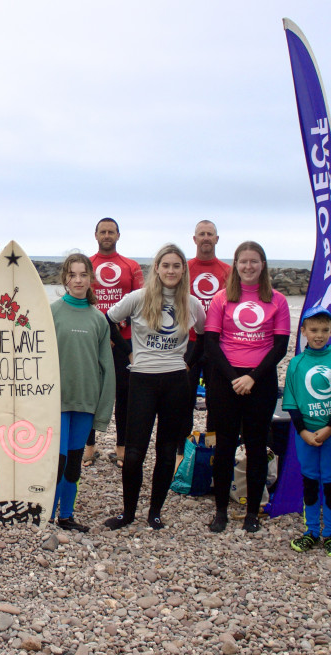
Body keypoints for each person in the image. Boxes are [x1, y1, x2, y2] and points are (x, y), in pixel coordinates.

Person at [102, 244, 206, 531]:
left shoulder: (191, 303)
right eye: (165, 265)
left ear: (183, 269)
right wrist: (128, 352)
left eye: (176, 265)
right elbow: (108, 320)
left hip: (176, 382)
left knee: (167, 449)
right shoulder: (138, 298)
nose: (171, 270)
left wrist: (189, 362)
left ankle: (155, 512)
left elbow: (206, 336)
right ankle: (128, 513)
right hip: (142, 380)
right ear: (157, 269)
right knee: (134, 452)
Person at [205, 241, 290, 533]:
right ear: (236, 265)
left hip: (261, 380)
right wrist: (233, 379)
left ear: (262, 265)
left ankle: (252, 512)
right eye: (243, 261)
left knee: (256, 447)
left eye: (254, 261)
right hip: (225, 379)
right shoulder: (221, 299)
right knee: (225, 445)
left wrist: (252, 377)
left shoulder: (277, 300)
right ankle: (220, 511)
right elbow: (211, 343)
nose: (249, 267)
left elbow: (280, 346)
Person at [50, 253, 115, 532]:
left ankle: (66, 516)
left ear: (91, 279)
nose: (78, 280)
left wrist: (103, 412)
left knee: (74, 463)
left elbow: (107, 368)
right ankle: (45, 515)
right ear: (65, 278)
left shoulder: (99, 319)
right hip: (56, 402)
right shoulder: (51, 312)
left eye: (83, 275)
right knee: (58, 461)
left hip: (86, 402)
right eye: (73, 275)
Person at [282, 305, 331, 558]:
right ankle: (311, 531)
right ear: (304, 332)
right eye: (313, 330)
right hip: (305, 434)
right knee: (310, 480)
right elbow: (292, 402)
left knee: (330, 482)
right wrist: (304, 432)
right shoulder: (297, 363)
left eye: (324, 330)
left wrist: (330, 428)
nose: (319, 335)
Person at [84, 217, 143, 468]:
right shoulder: (87, 265)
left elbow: (141, 302)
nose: (107, 235)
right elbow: (81, 301)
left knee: (124, 396)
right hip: (93, 340)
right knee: (89, 395)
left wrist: (121, 327)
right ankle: (88, 449)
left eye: (111, 232)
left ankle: (121, 448)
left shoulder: (131, 266)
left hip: (125, 342)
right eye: (102, 231)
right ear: (95, 235)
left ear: (118, 235)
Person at [187, 220, 232, 397]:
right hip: (189, 342)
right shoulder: (184, 269)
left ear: (217, 238)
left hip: (218, 342)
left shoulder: (228, 271)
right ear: (194, 239)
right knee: (184, 398)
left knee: (217, 398)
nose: (206, 238)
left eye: (209, 234)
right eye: (202, 234)